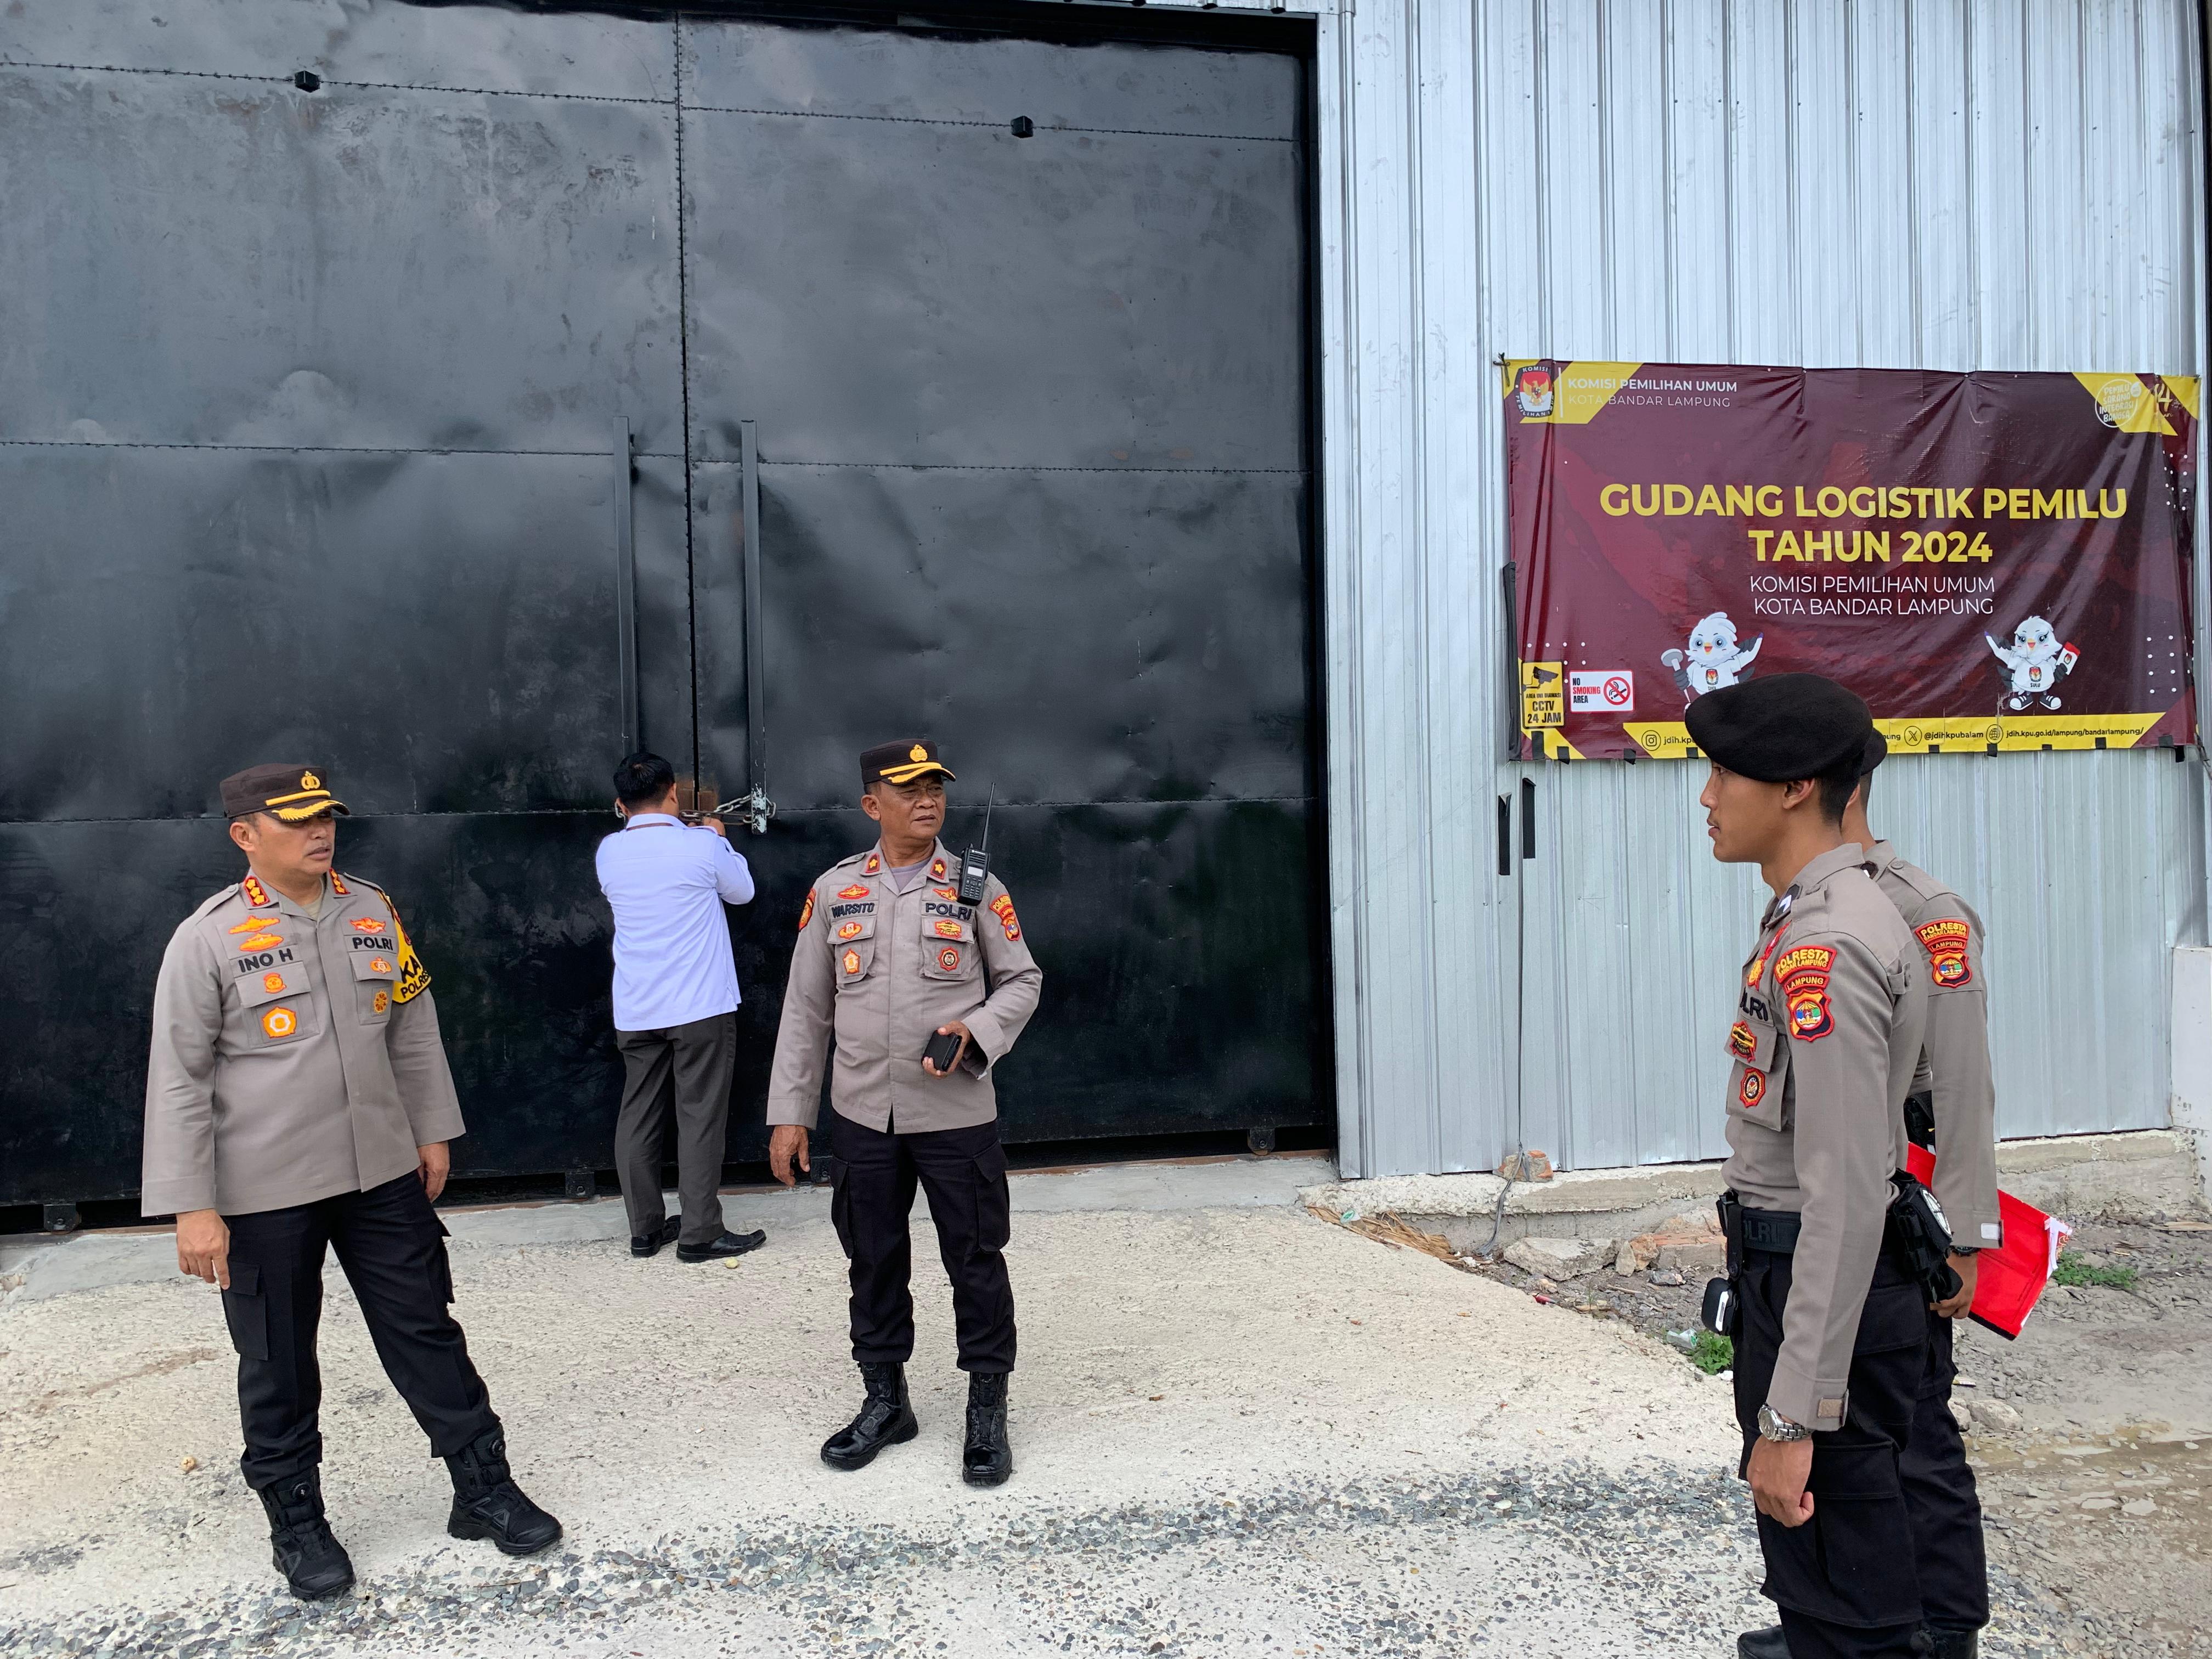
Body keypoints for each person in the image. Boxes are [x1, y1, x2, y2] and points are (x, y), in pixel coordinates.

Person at [142, 765, 560, 1602]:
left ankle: (482, 1489)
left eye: (325, 817)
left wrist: (431, 1128)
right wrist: (193, 1204)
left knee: (426, 1331)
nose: (319, 832)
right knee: (278, 1362)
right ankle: (296, 1522)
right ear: (245, 837)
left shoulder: (371, 908)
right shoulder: (208, 938)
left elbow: (411, 1022)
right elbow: (180, 1076)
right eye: (295, 821)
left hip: (379, 1173)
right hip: (265, 1192)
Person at [1684, 679, 1934, 1659]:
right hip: (1804, 1287)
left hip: (1817, 1293)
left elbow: (1842, 1195)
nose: (1706, 796)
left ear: (1792, 787)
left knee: (1841, 1596)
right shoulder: (1818, 913)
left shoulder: (1825, 944)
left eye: (1720, 772)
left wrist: (1793, 1415)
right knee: (1834, 1578)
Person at [1738, 741, 2001, 1659]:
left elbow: (1960, 1086)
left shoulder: (1915, 909)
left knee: (1906, 1441)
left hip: (1898, 1219)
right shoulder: (1812, 904)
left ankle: (1932, 1628)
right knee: (1887, 1445)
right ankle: (1886, 1620)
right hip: (1869, 1206)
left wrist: (1965, 1235)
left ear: (1806, 784)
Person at [764, 739, 1043, 1486]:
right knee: (874, 1260)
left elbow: (1022, 981)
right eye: (908, 788)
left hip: (955, 1116)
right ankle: (886, 1401)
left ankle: (987, 1408)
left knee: (975, 1262)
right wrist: (791, 1112)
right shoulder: (835, 892)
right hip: (863, 1117)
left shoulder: (976, 888)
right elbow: (806, 1008)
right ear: (871, 805)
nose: (927, 800)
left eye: (935, 788)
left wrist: (974, 1033)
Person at [595, 751, 765, 1263]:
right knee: (700, 1116)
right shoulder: (699, 845)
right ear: (674, 793)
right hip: (699, 1005)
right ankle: (700, 1232)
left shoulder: (608, 852)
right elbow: (742, 892)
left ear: (620, 805)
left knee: (638, 1114)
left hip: (637, 1006)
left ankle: (644, 1230)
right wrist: (716, 835)